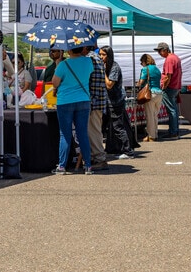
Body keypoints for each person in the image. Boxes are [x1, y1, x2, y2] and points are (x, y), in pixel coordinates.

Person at [51, 46, 94, 175]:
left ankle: (62, 166)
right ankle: (88, 165)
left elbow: (55, 83)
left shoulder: (63, 64)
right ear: (82, 49)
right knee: (82, 134)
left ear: (69, 50)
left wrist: (58, 64)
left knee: (65, 134)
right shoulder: (88, 61)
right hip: (83, 100)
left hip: (65, 101)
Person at [99, 45, 135, 159]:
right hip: (106, 102)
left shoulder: (114, 67)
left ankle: (128, 151)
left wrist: (103, 72)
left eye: (103, 55)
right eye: (100, 54)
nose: (101, 57)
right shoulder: (105, 66)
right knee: (102, 127)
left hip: (115, 102)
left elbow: (109, 85)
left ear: (109, 55)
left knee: (118, 126)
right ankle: (107, 149)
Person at [82, 45, 109, 170]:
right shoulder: (95, 57)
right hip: (98, 101)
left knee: (93, 131)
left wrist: (91, 101)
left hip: (94, 101)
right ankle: (96, 156)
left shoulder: (90, 59)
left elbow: (94, 84)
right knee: (94, 130)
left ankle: (99, 157)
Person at [154, 42, 182, 140]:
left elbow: (168, 76)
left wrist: (164, 87)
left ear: (165, 50)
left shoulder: (169, 59)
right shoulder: (176, 57)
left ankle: (173, 132)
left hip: (170, 87)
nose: (159, 53)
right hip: (176, 86)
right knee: (174, 109)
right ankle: (175, 131)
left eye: (160, 51)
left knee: (171, 110)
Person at [136, 54, 163, 142]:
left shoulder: (145, 69)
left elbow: (141, 82)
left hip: (150, 94)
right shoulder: (157, 69)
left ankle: (151, 136)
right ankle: (155, 133)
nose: (141, 64)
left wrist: (138, 83)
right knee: (155, 116)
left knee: (150, 116)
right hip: (159, 93)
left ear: (144, 61)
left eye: (141, 62)